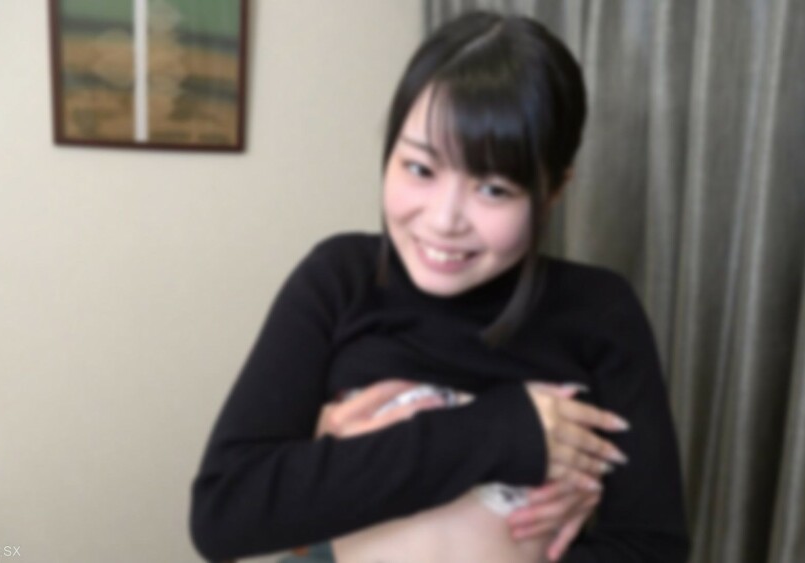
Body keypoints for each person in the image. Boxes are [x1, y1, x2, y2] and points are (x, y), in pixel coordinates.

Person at [190, 11, 688, 563]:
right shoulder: (339, 278)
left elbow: (651, 547)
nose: (444, 220)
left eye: (493, 189)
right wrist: (502, 432)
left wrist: (347, 463)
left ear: (552, 192)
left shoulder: (601, 310)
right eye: (420, 169)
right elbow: (224, 513)